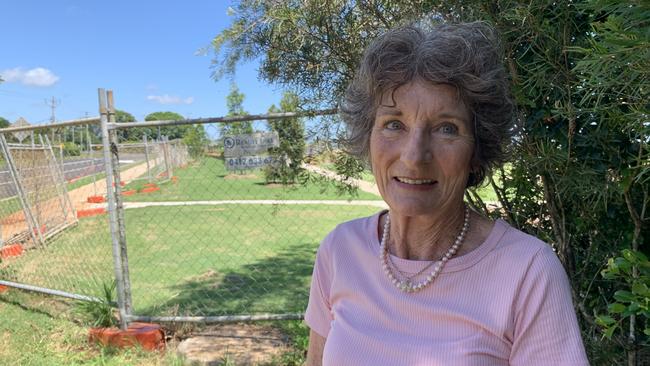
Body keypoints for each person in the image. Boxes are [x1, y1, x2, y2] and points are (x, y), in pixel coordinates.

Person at [304, 22, 589, 365]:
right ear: (369, 135)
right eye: (394, 123)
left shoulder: (527, 272)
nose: (413, 156)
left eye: (446, 129)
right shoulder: (340, 250)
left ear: (476, 150)